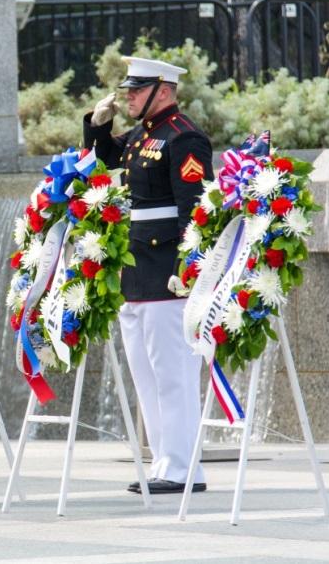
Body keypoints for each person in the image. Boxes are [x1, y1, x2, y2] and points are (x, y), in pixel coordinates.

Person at [83, 57, 213, 495]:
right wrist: (98, 126)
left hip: (166, 273)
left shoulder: (184, 137)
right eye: (128, 90)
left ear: (164, 89)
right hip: (136, 271)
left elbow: (195, 212)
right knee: (146, 373)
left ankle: (182, 468)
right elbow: (103, 157)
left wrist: (189, 271)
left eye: (137, 90)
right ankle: (164, 463)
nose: (129, 97)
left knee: (172, 372)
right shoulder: (144, 134)